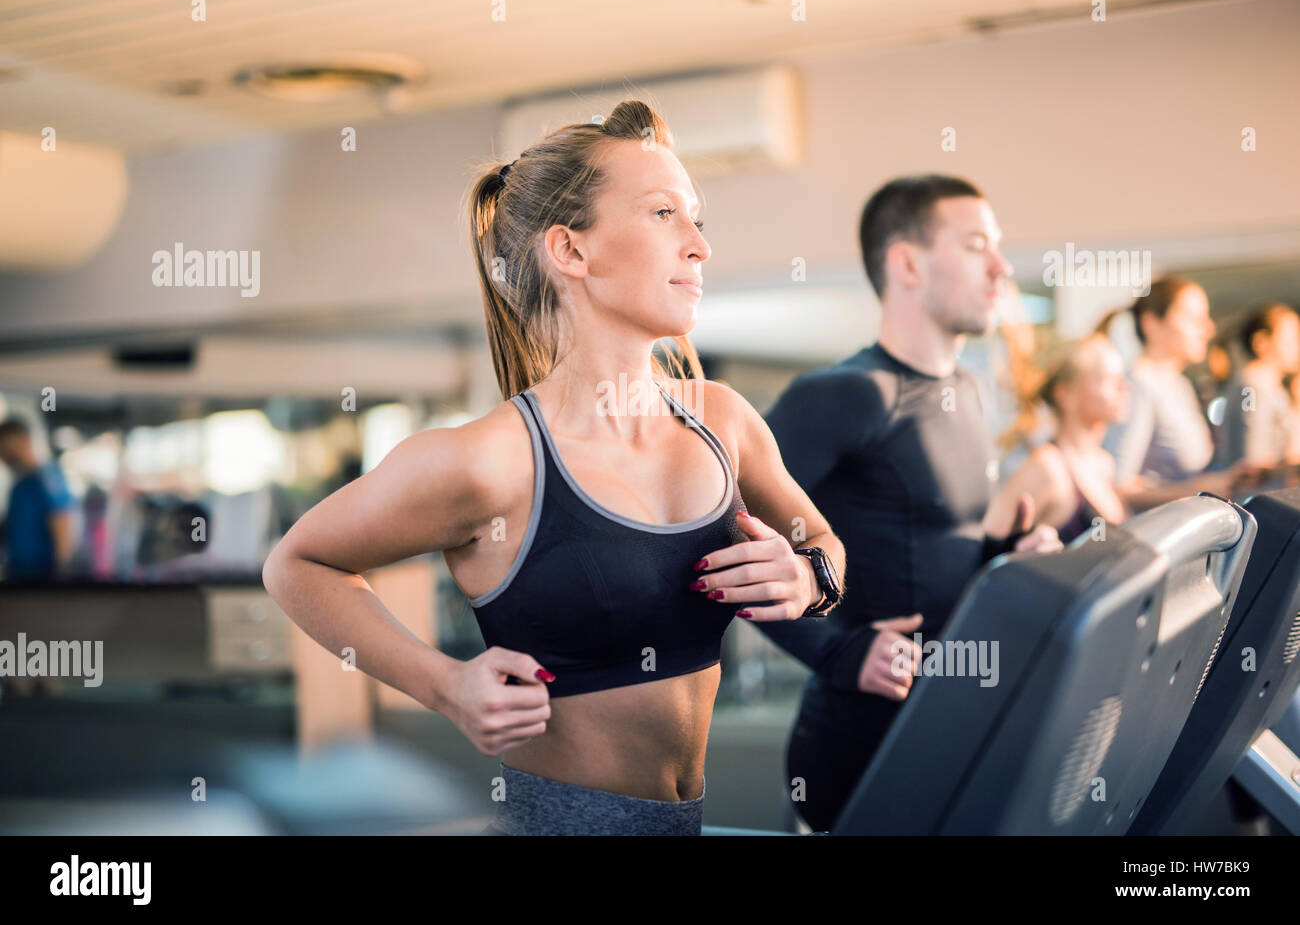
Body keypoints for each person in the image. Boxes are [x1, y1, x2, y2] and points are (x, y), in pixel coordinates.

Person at [262, 101, 851, 836]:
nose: (699, 245)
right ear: (570, 251)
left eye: (697, 219)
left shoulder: (723, 421)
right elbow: (297, 563)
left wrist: (809, 576)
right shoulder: (489, 460)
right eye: (664, 213)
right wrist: (446, 686)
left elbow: (823, 539)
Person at [754, 174, 1062, 833]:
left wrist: (1005, 556)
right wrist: (837, 651)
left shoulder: (968, 392)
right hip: (859, 749)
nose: (1001, 266)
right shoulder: (845, 393)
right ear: (907, 263)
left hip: (952, 730)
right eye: (977, 244)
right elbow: (727, 540)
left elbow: (925, 545)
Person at [1099, 276, 1258, 510]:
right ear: (1152, 323)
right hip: (1154, 538)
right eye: (1194, 319)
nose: (1209, 329)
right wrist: (1196, 490)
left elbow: (1184, 475)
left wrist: (1227, 477)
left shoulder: (1179, 384)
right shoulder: (1139, 385)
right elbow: (1116, 487)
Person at [986, 333, 1130, 545]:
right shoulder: (1047, 468)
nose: (1124, 388)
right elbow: (985, 546)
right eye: (1107, 379)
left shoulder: (1103, 463)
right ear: (1067, 394)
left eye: (1122, 378)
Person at [1219, 303, 1300, 468]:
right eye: (1292, 338)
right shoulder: (1251, 389)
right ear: (1261, 342)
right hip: (1260, 492)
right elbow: (1252, 461)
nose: (1297, 347)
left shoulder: (1267, 387)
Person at [0, 417, 76, 581]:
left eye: (5, 447)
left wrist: (59, 573)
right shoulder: (20, 485)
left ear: (23, 440)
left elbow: (61, 524)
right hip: (18, 573)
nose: (3, 455)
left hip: (41, 578)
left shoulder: (48, 477)